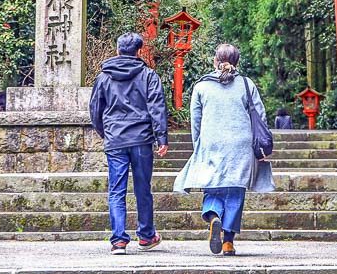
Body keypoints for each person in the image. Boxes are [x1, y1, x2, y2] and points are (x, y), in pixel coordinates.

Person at [174, 44, 274, 256]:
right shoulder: (247, 84)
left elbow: (196, 121)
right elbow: (260, 115)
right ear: (237, 62)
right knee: (236, 189)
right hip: (241, 143)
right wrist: (261, 145)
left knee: (212, 185)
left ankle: (213, 217)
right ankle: (228, 241)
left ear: (214, 61)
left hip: (211, 142)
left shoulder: (202, 87)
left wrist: (198, 145)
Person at [89, 32, 168, 255]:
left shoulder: (104, 77)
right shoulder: (148, 75)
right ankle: (146, 236)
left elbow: (95, 109)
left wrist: (105, 132)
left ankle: (119, 241)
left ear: (118, 50)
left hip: (115, 139)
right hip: (142, 139)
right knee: (143, 189)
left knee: (116, 190)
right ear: (139, 51)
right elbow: (157, 107)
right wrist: (161, 137)